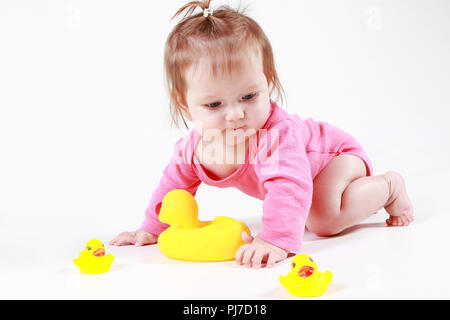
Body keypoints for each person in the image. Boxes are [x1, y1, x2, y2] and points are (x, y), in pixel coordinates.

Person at [110, 0, 414, 268]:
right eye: (214, 104)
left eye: (249, 96)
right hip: (313, 173)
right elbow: (173, 185)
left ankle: (388, 186)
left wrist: (275, 239)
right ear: (185, 105)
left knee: (322, 219)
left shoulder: (276, 136)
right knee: (310, 214)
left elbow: (289, 183)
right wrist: (152, 228)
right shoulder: (193, 149)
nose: (235, 114)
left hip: (335, 159)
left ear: (267, 81)